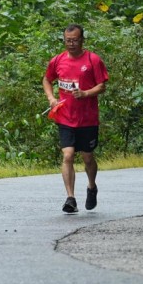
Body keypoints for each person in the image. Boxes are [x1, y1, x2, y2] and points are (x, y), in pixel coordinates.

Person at [42, 24, 108, 214]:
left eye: (75, 40)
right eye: (67, 40)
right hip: (65, 117)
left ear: (82, 40)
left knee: (87, 157)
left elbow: (102, 86)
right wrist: (51, 98)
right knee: (68, 155)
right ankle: (70, 198)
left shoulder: (92, 60)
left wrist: (86, 93)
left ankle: (92, 186)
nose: (71, 44)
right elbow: (47, 79)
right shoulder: (57, 60)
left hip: (87, 119)